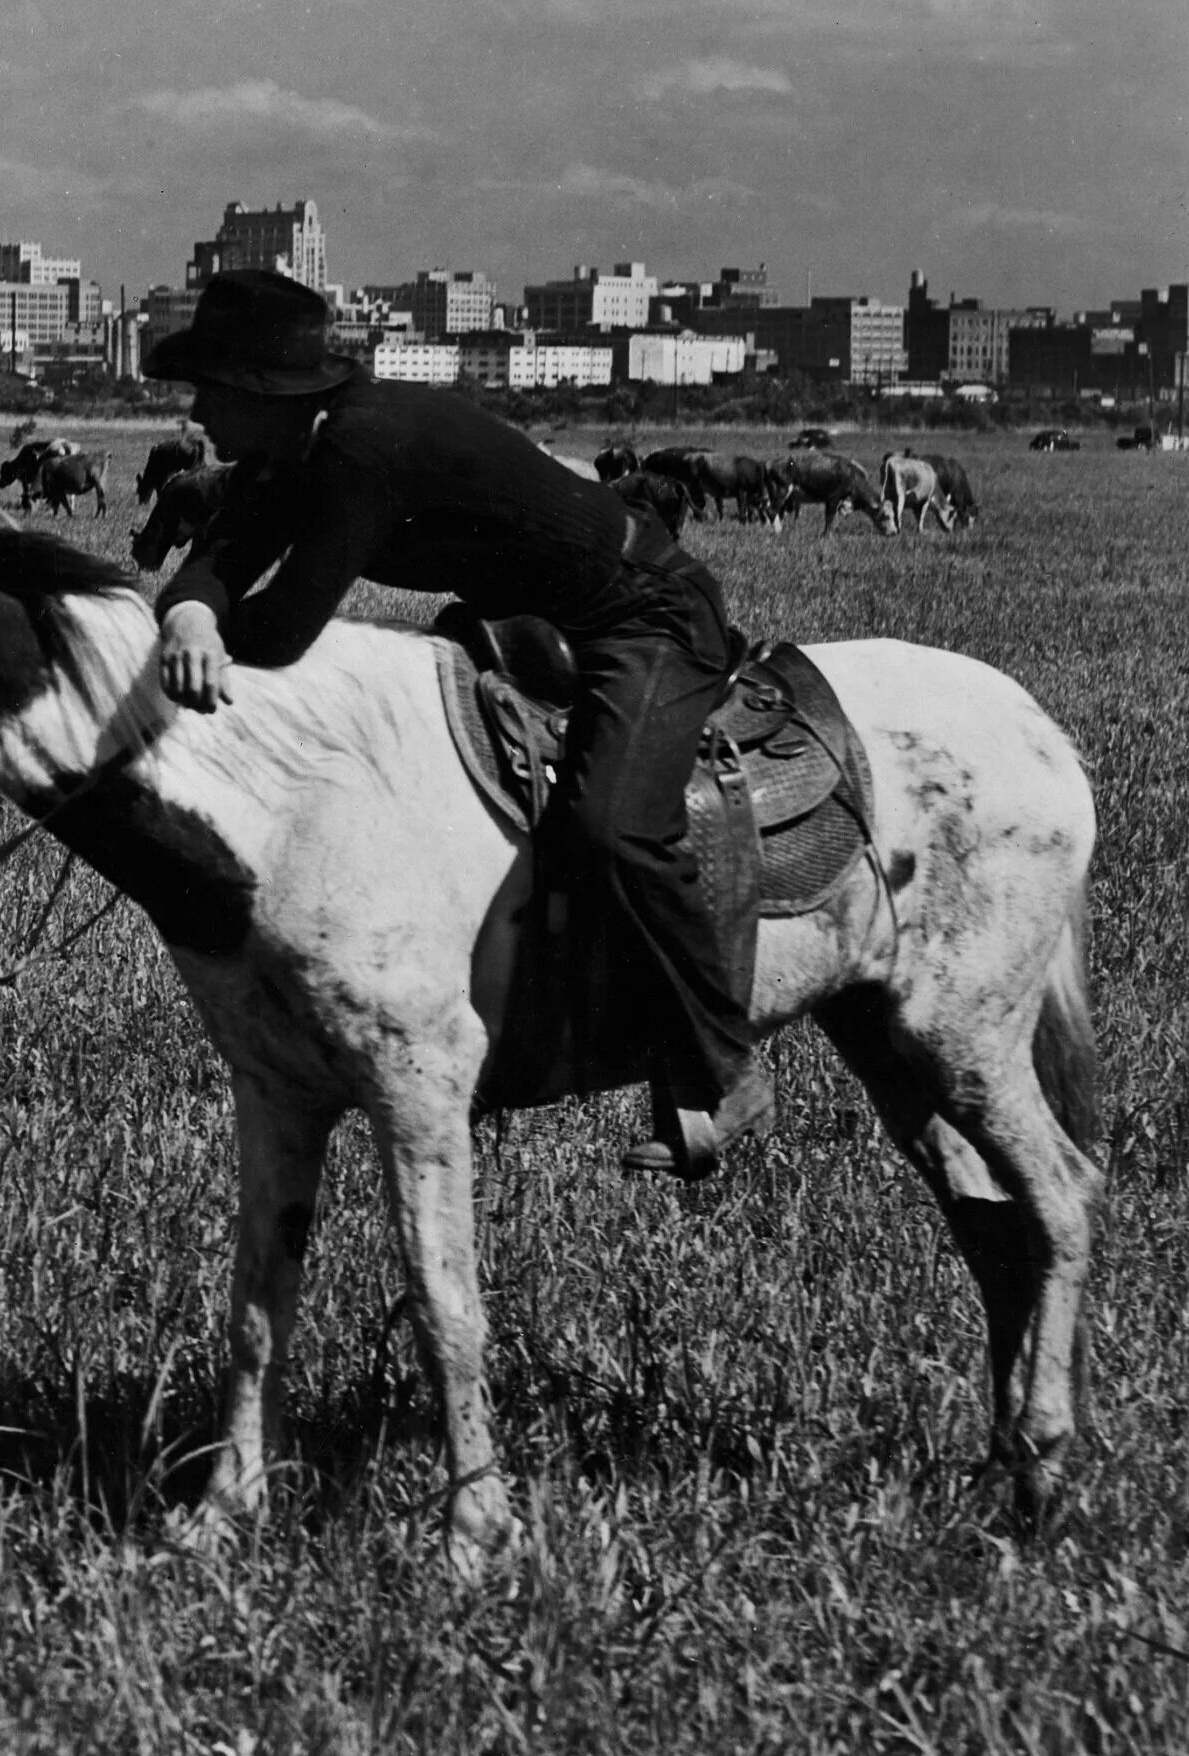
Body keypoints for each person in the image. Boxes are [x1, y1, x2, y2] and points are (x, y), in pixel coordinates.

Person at [147, 266, 769, 1178]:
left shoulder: (364, 447)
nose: (196, 409)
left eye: (207, 386)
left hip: (644, 616)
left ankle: (724, 1068)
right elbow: (222, 555)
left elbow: (283, 626)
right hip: (525, 622)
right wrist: (192, 613)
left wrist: (212, 617)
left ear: (258, 390)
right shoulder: (292, 449)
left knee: (612, 828)